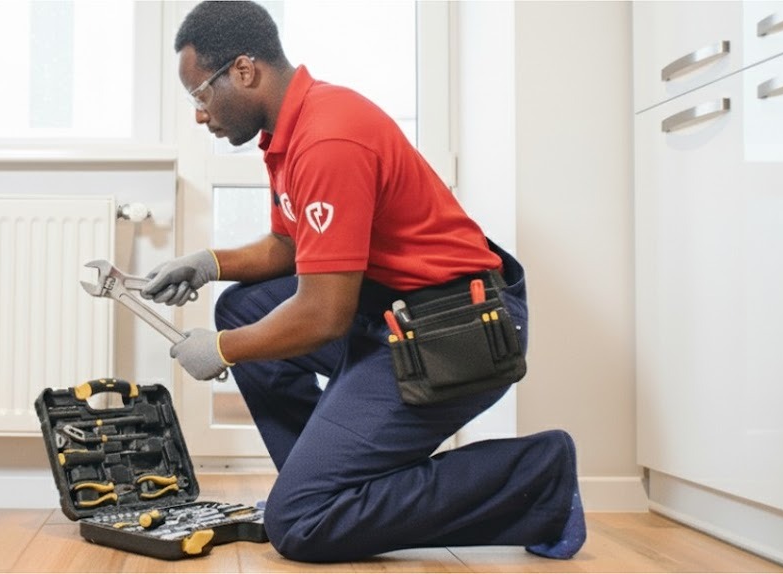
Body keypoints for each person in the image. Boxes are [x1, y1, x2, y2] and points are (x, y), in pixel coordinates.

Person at [139, 1, 585, 563]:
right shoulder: (289, 131)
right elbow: (291, 245)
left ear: (245, 71)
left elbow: (322, 314)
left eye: (200, 94)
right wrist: (207, 262)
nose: (200, 115)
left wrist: (223, 351)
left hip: (456, 331)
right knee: (242, 306)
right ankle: (333, 480)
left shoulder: (329, 139)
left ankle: (538, 478)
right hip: (393, 313)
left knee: (298, 523)